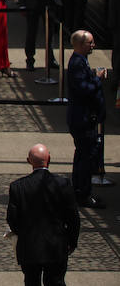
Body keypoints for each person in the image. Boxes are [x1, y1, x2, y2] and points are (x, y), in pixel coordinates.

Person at [7, 143, 80, 286]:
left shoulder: (17, 187)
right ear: (49, 159)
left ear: (29, 161)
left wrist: (22, 234)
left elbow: (12, 219)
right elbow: (73, 218)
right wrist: (72, 241)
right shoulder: (63, 184)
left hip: (29, 247)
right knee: (56, 282)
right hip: (56, 247)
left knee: (31, 281)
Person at [65, 29, 107, 209]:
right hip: (82, 119)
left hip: (84, 118)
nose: (93, 45)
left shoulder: (81, 61)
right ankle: (83, 193)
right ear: (81, 45)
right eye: (90, 43)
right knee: (86, 158)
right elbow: (84, 89)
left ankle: (80, 191)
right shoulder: (77, 64)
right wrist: (97, 79)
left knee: (83, 155)